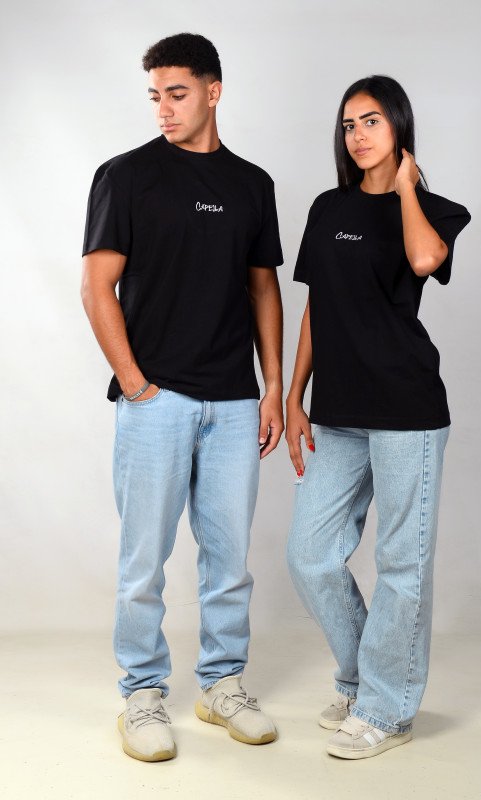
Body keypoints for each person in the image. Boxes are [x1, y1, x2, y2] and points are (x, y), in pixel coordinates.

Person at [81, 33, 284, 762]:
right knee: (145, 561)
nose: (164, 108)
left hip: (233, 402)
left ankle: (222, 684)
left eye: (177, 93)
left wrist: (270, 389)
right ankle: (141, 693)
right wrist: (136, 384)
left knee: (229, 561)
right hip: (156, 401)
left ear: (213, 91)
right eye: (155, 95)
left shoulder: (252, 184)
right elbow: (96, 286)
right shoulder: (126, 175)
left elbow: (263, 289)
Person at [285, 75, 471, 760]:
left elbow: (424, 258)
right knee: (309, 554)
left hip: (405, 410)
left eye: (371, 121)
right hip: (337, 413)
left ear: (398, 127)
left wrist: (405, 190)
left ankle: (386, 713)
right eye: (348, 125)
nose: (357, 135)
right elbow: (317, 306)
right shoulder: (327, 206)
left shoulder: (433, 211)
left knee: (401, 563)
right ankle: (367, 682)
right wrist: (294, 397)